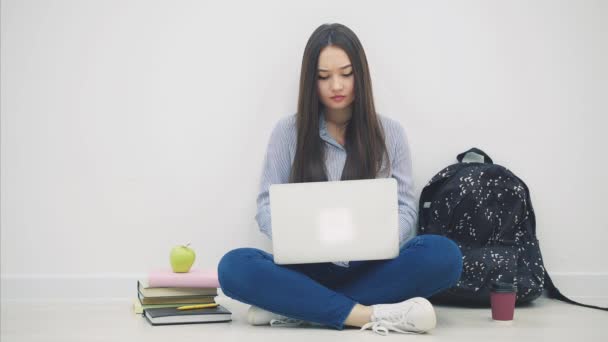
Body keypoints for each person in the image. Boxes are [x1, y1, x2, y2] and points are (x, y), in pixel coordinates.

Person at [218, 23, 462, 336]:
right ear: (311, 81)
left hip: (369, 266)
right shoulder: (287, 133)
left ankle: (297, 308)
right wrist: (296, 236)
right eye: (324, 77)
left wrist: (378, 237)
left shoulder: (390, 133)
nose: (337, 85)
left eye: (346, 74)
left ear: (360, 74)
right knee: (233, 267)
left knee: (444, 256)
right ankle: (365, 314)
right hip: (305, 268)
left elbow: (404, 207)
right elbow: (266, 204)